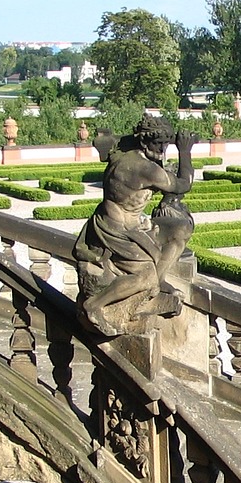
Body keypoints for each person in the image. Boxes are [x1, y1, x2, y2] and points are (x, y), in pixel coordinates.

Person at [73, 115, 196, 335]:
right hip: (116, 231)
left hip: (134, 226)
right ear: (144, 141)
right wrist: (185, 151)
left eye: (166, 144)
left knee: (181, 229)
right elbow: (183, 185)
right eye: (158, 143)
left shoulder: (128, 151)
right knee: (144, 277)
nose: (163, 148)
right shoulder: (144, 169)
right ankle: (95, 305)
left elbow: (112, 141)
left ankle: (158, 280)